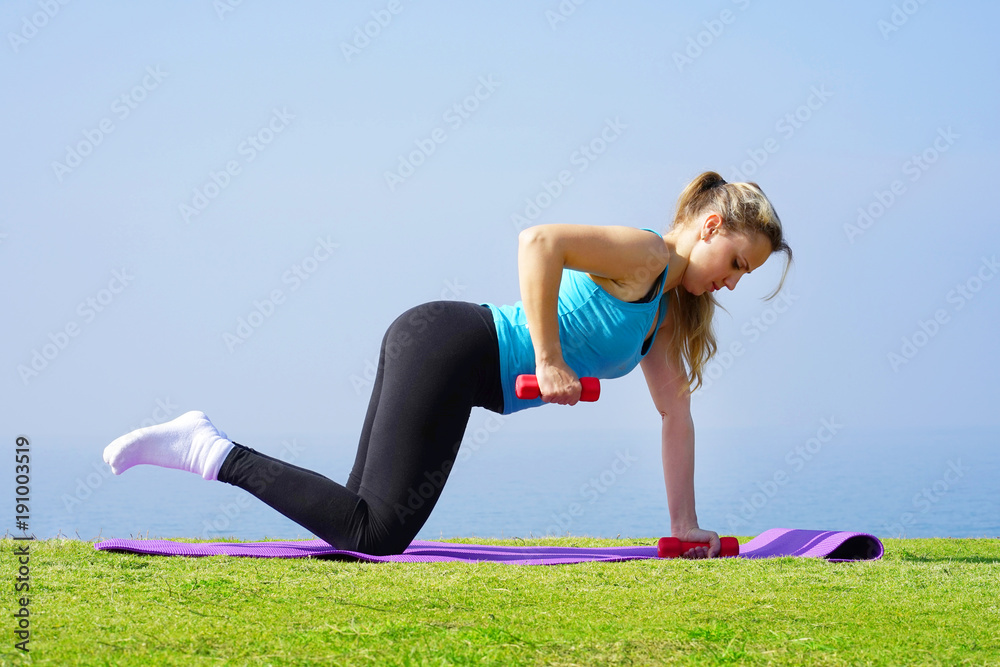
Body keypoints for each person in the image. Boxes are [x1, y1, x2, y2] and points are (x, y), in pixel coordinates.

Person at [103, 171, 791, 558]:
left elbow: (675, 412)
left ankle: (209, 446)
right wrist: (548, 358)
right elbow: (539, 241)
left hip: (441, 348)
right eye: (736, 262)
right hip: (453, 347)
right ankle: (208, 449)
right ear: (709, 227)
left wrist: (685, 526)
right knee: (376, 533)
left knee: (355, 527)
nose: (733, 282)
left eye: (745, 275)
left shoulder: (661, 310)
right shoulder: (646, 255)